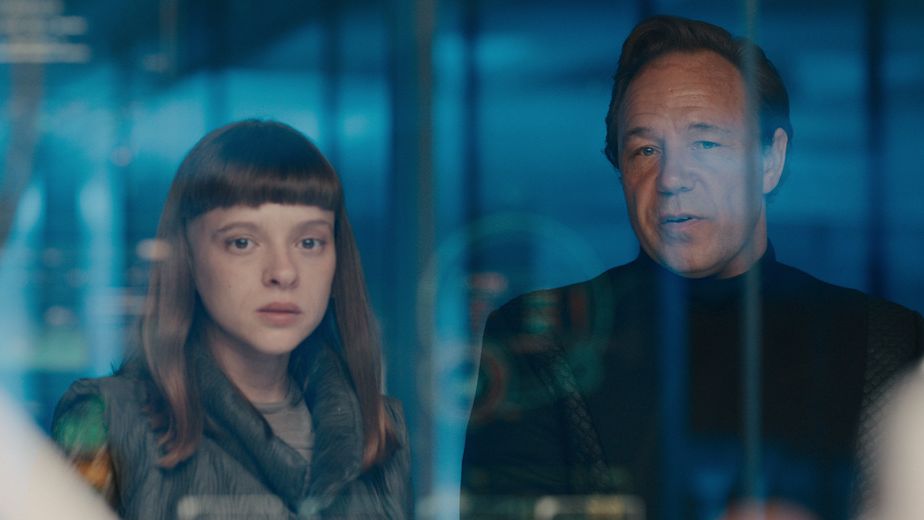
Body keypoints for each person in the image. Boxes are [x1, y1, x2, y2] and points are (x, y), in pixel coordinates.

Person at [462, 15, 923, 520]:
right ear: (620, 170)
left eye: (706, 144)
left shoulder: (889, 343)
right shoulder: (539, 338)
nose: (671, 178)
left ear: (771, 161)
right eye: (645, 150)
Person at [52, 120, 410, 519]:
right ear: (187, 256)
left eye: (309, 242)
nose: (283, 272)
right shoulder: (105, 419)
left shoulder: (382, 430)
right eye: (242, 242)